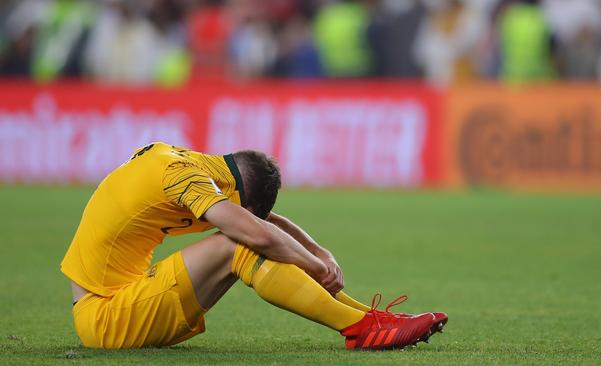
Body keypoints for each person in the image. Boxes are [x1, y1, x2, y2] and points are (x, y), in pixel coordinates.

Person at [61, 142, 447, 350]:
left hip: (117, 302)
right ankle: (362, 328)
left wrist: (321, 254)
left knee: (240, 237)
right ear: (244, 203)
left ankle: (375, 320)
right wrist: (314, 267)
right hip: (106, 316)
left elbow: (264, 224)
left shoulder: (190, 165)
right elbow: (258, 234)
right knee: (236, 245)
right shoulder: (183, 178)